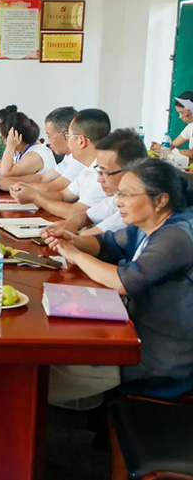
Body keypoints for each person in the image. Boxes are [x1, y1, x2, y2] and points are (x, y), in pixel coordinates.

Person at [46, 159, 193, 407]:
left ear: (160, 200)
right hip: (133, 331)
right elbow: (106, 243)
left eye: (126, 195)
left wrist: (75, 255)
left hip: (159, 359)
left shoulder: (177, 236)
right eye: (118, 194)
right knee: (59, 348)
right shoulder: (148, 224)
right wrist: (71, 239)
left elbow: (125, 281)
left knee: (52, 367)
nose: (118, 202)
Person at [43, 128, 148, 238]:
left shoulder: (136, 206)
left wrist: (65, 235)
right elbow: (85, 215)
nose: (99, 179)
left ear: (130, 172)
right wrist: (70, 223)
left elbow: (89, 236)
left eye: (106, 172)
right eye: (99, 171)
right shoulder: (116, 198)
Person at [10, 109, 111, 219]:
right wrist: (29, 190)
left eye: (68, 137)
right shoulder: (88, 169)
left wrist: (35, 197)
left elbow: (75, 212)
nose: (67, 142)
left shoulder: (102, 173)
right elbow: (62, 195)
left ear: (81, 141)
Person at [0, 106, 84, 191]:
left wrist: (10, 185)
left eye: (50, 136)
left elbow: (53, 187)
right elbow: (42, 178)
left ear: (67, 134)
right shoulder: (69, 157)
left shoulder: (79, 160)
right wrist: (4, 180)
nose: (48, 143)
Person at [0, 111, 57, 177]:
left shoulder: (34, 155)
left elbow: (5, 173)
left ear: (15, 137)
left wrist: (10, 147)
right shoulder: (25, 150)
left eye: (4, 138)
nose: (4, 143)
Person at [150, 91, 193, 158]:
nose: (180, 117)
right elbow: (173, 145)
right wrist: (160, 147)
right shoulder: (190, 127)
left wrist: (168, 152)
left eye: (182, 113)